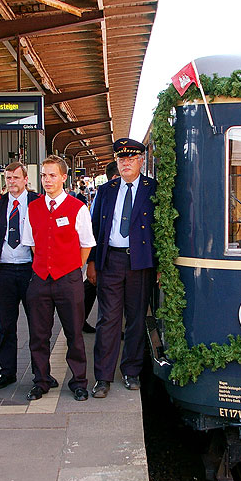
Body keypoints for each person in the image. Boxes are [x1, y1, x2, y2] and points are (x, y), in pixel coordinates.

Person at [86, 138, 157, 398]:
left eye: (131, 158)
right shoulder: (106, 190)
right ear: (116, 162)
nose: (126, 163)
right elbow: (95, 228)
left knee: (137, 318)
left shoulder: (154, 189)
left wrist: (159, 267)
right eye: (121, 159)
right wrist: (92, 261)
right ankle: (103, 377)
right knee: (108, 320)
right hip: (111, 261)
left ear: (141, 161)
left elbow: (161, 230)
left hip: (140, 263)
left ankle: (131, 372)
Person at [21, 155, 95, 401]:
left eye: (52, 175)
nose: (47, 180)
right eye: (43, 175)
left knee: (74, 332)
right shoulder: (33, 208)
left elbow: (86, 244)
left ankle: (79, 381)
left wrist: (73, 269)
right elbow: (32, 245)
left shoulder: (78, 208)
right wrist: (46, 265)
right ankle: (41, 380)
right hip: (41, 278)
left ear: (64, 177)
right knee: (38, 334)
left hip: (69, 279)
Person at [0, 161, 42, 391]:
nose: (12, 182)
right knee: (6, 326)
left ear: (26, 179)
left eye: (16, 178)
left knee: (37, 325)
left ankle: (40, 373)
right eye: (8, 178)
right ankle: (7, 372)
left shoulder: (38, 202)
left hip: (30, 271)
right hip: (3, 271)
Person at [82, 160, 119, 333]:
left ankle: (79, 319)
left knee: (93, 287)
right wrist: (92, 261)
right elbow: (95, 228)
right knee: (96, 287)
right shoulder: (105, 195)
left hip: (101, 254)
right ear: (114, 177)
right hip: (102, 253)